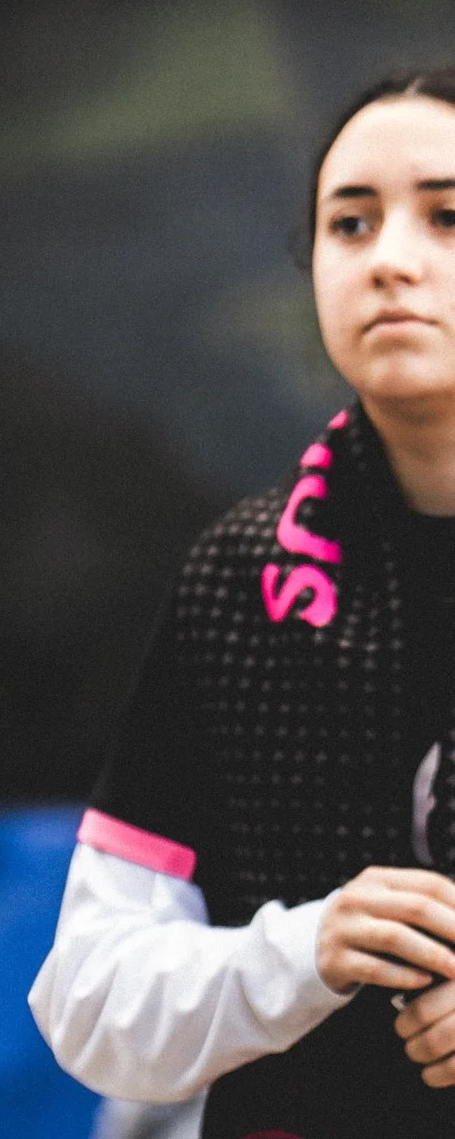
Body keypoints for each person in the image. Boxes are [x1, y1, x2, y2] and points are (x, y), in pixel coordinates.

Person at [31, 67, 455, 1137]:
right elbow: (87, 996)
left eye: (448, 216)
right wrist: (298, 953)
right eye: (349, 223)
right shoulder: (242, 580)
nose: (392, 260)